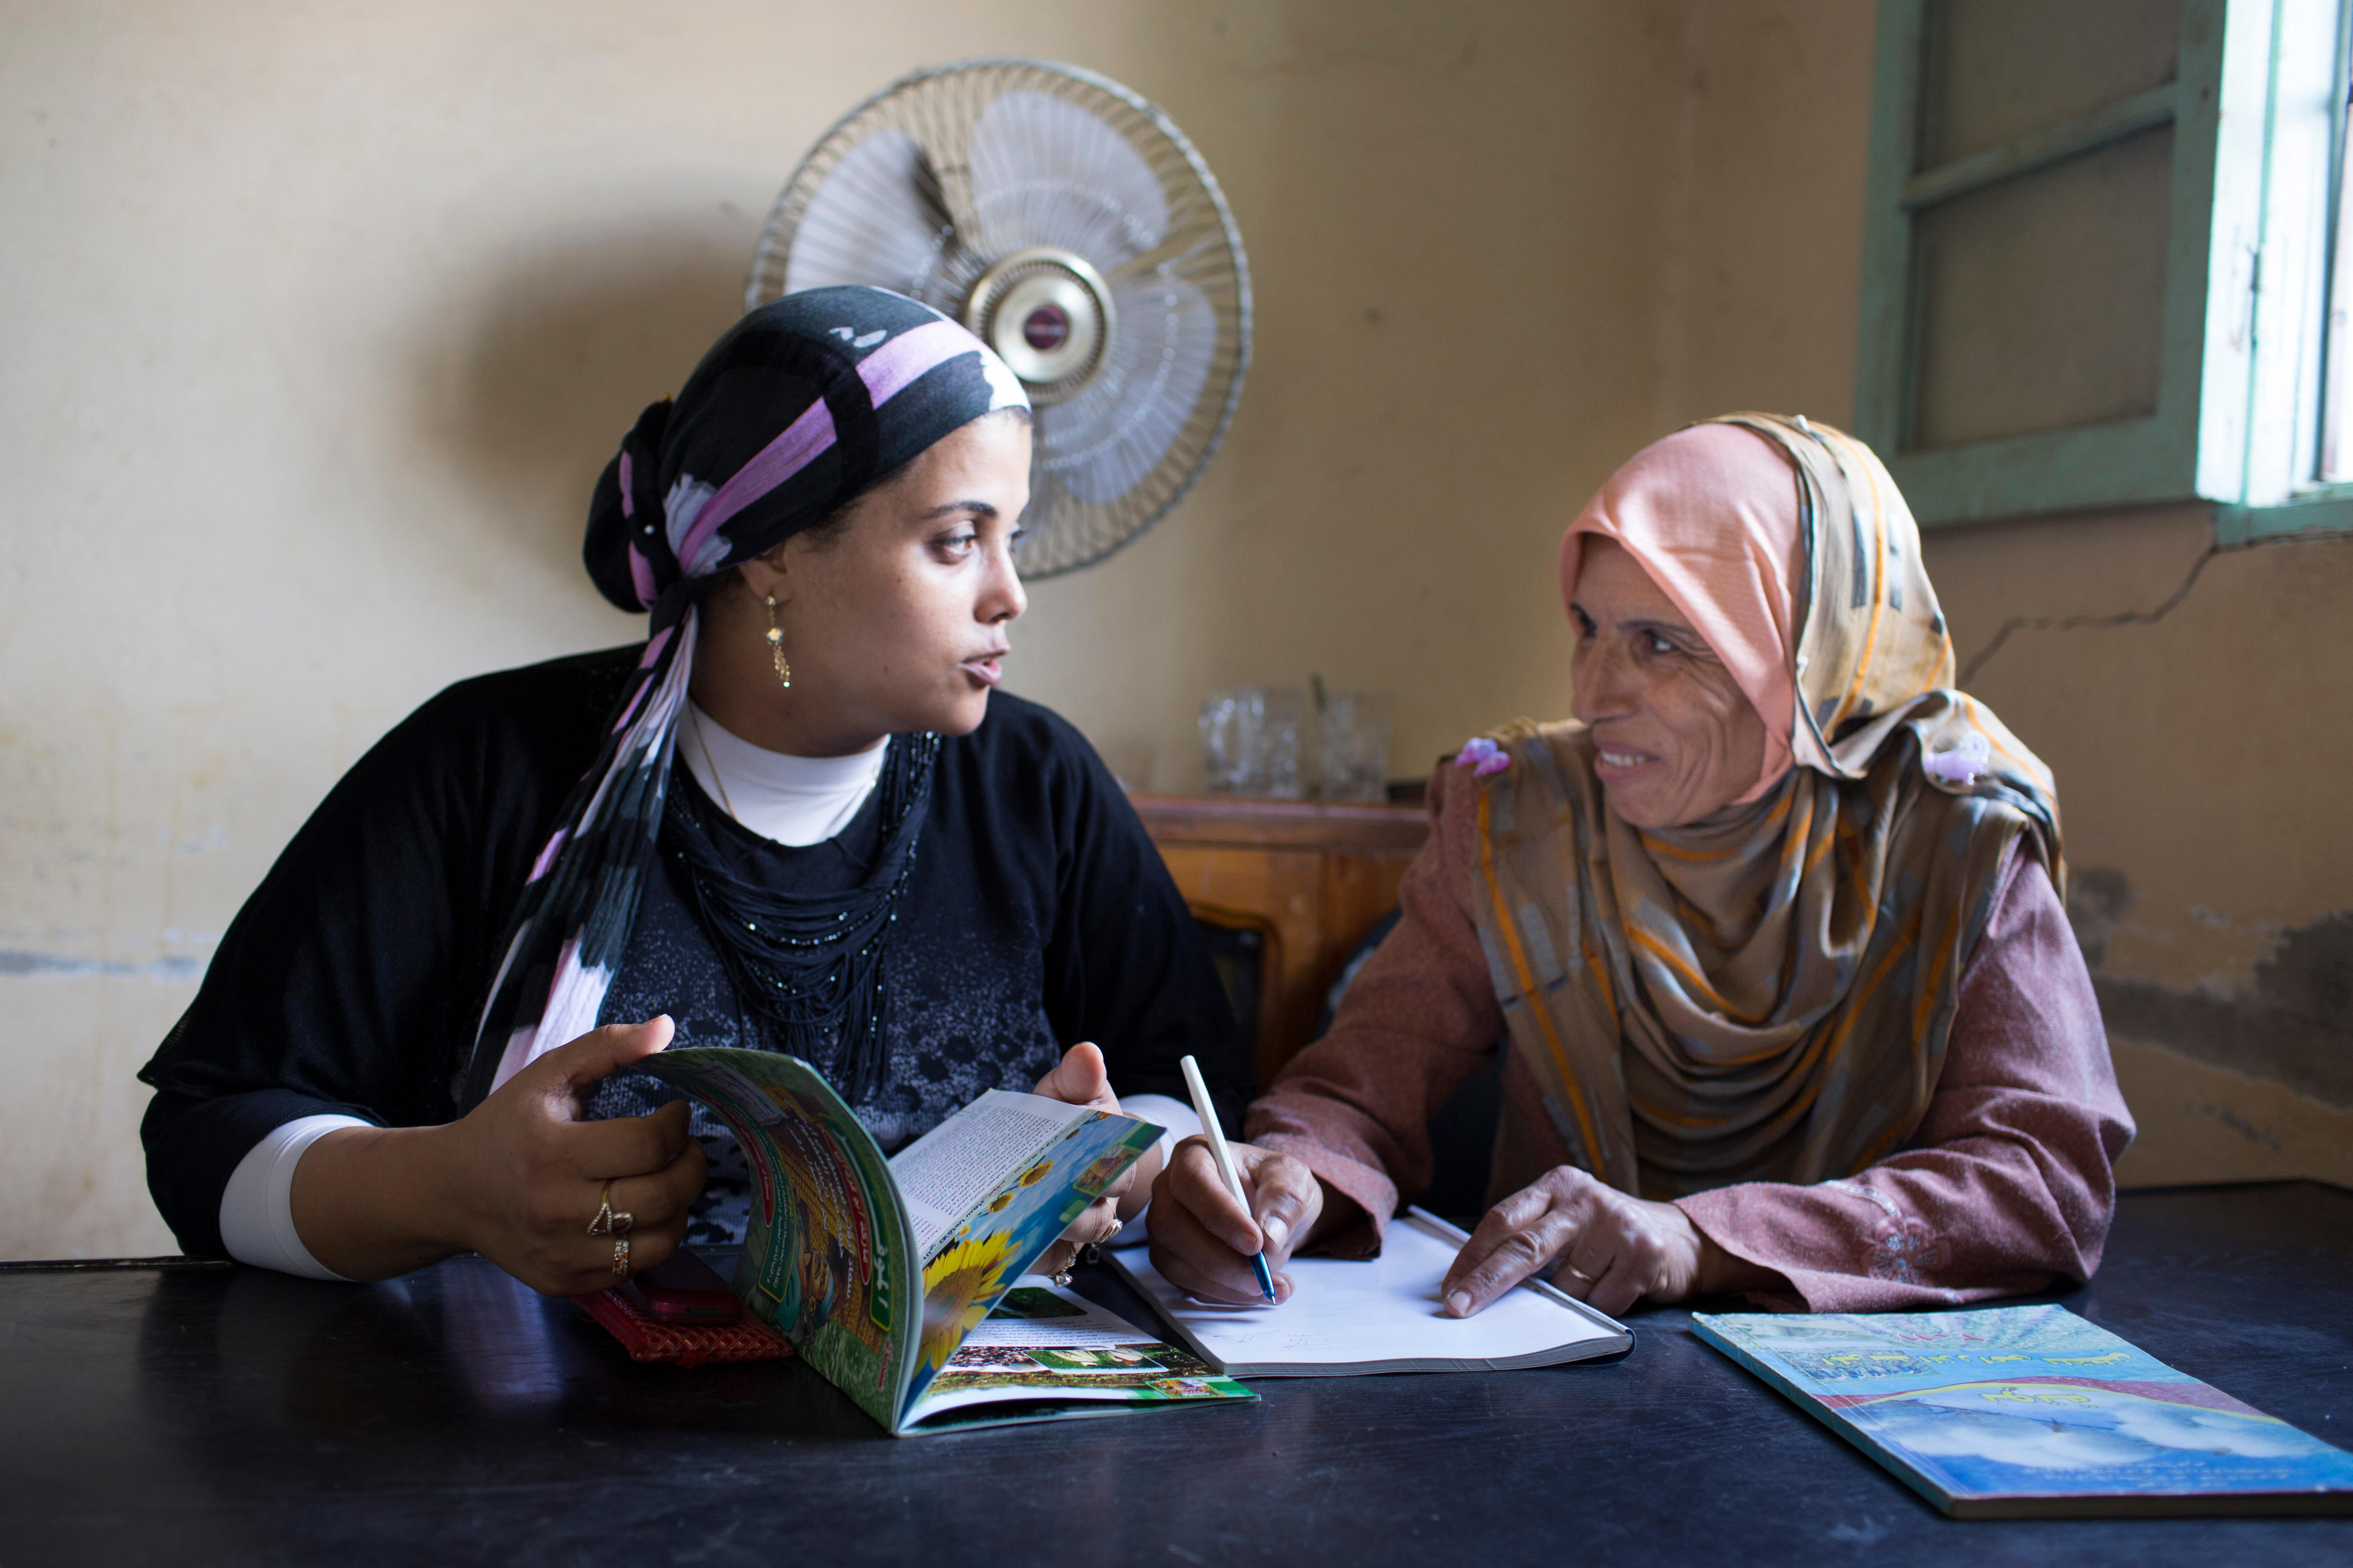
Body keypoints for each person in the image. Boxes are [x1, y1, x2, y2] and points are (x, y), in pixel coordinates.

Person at [139, 286, 1247, 1295]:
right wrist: (449, 1185)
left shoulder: (1036, 784)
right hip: (524, 1459)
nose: (1011, 595)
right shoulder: (486, 766)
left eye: (1014, 539)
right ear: (769, 554)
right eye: (957, 540)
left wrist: (1119, 1165)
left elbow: (1174, 1081)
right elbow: (207, 1136)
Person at [1148, 413, 2133, 1317]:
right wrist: (1289, 1178)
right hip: (1559, 1393)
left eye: (1662, 643)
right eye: (1586, 627)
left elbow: (2040, 1184)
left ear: (1806, 660)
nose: (1592, 689)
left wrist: (1700, 1240)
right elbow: (1354, 1095)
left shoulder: (1953, 842)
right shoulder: (1521, 815)